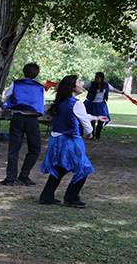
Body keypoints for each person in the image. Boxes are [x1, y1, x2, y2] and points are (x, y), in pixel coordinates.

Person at [38, 75, 108, 207]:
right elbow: (84, 121)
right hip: (70, 140)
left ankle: (46, 196)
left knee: (59, 167)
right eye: (79, 82)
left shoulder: (62, 101)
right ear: (72, 87)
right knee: (83, 167)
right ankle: (71, 198)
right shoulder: (76, 103)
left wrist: (97, 117)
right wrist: (90, 133)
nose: (82, 85)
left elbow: (80, 115)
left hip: (56, 140)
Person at [0, 63, 45, 186]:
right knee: (35, 148)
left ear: (24, 71)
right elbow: (42, 102)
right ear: (36, 74)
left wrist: (4, 107)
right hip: (32, 119)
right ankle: (24, 175)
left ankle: (10, 178)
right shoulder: (40, 87)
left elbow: (7, 96)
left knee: (14, 148)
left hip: (18, 118)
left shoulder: (16, 84)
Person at [83, 72, 120, 140]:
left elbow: (113, 89)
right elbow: (83, 86)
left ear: (101, 78)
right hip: (91, 104)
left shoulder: (106, 84)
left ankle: (98, 134)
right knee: (92, 120)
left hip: (101, 104)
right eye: (95, 77)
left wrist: (121, 92)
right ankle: (92, 134)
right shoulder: (91, 83)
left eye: (97, 77)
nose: (95, 78)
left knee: (101, 120)